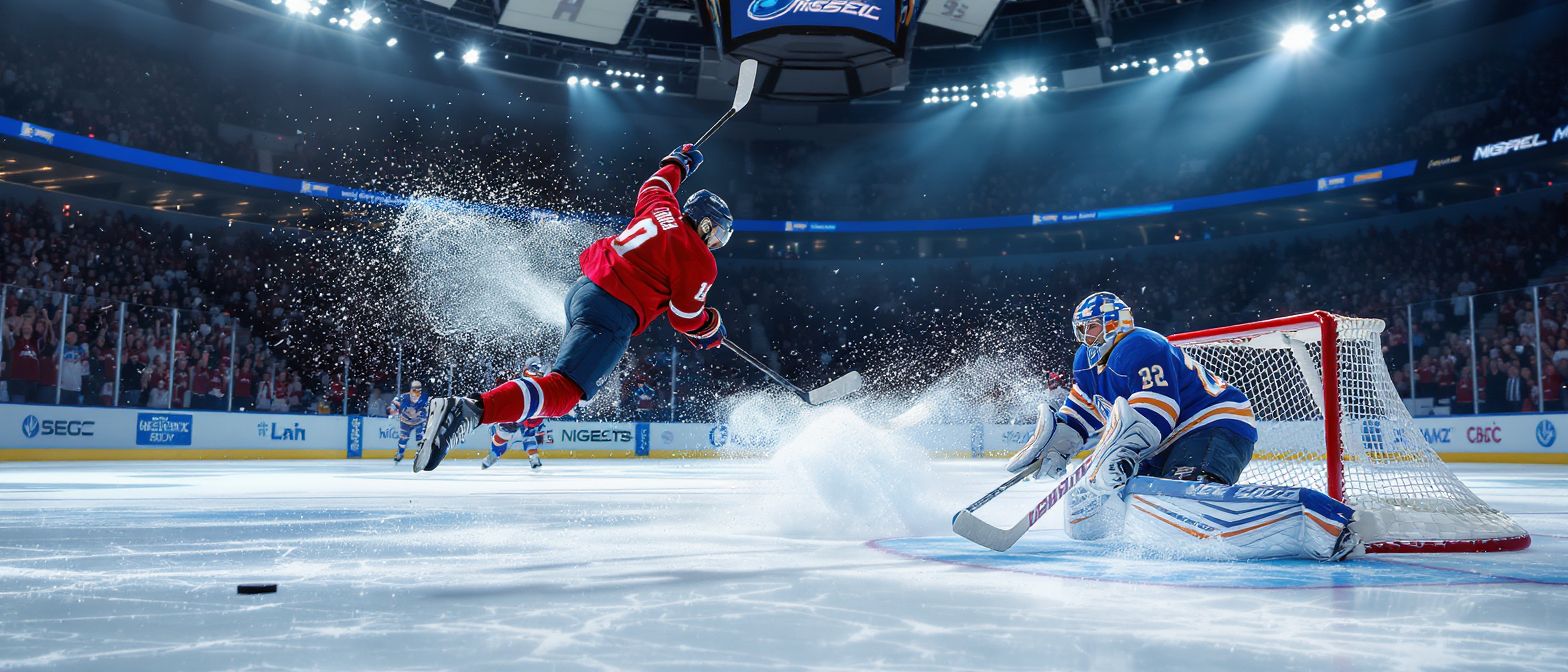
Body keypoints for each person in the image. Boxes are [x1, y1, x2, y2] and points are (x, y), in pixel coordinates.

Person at [416, 144, 732, 472]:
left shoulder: (661, 207)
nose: (717, 243)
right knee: (566, 392)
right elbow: (683, 317)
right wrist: (710, 328)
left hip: (584, 291)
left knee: (559, 383)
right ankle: (470, 410)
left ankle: (514, 393)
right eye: (719, 233)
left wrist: (678, 162)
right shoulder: (700, 260)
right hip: (613, 313)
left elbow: (655, 184)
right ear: (706, 224)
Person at [1005, 292, 1367, 561]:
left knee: (1180, 500)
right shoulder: (1085, 360)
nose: (1086, 336)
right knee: (1093, 510)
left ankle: (1318, 519)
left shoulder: (1140, 345)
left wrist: (1118, 455)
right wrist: (1058, 445)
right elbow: (1081, 412)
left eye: (1093, 327)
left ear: (1116, 322)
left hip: (1213, 425)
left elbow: (1157, 410)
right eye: (1081, 329)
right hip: (1163, 443)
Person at [483, 357, 547, 470]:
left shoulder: (536, 379)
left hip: (528, 409)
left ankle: (532, 457)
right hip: (521, 408)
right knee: (505, 432)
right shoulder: (523, 378)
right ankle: (494, 455)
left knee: (528, 434)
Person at [387, 380, 430, 465]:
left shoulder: (426, 399)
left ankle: (422, 454)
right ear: (411, 390)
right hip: (405, 422)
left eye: (418, 391)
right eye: (414, 390)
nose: (416, 394)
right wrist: (395, 413)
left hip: (420, 422)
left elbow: (431, 409)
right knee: (403, 438)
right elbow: (392, 408)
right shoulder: (402, 398)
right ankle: (400, 453)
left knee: (421, 438)